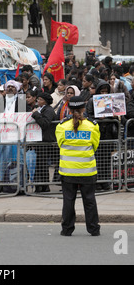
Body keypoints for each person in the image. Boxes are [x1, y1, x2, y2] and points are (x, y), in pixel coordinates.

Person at [56, 96, 101, 236]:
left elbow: (60, 144)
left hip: (68, 171)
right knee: (90, 200)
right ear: (84, 108)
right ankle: (93, 229)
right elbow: (95, 146)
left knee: (68, 201)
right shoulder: (92, 126)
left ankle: (67, 229)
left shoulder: (62, 126)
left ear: (68, 109)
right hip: (87, 171)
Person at [31, 92, 57, 193]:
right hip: (40, 139)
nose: (38, 101)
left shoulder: (49, 110)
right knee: (40, 164)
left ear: (45, 101)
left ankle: (43, 186)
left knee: (42, 164)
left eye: (40, 99)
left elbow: (45, 123)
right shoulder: (42, 109)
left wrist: (36, 114)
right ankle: (41, 186)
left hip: (46, 140)